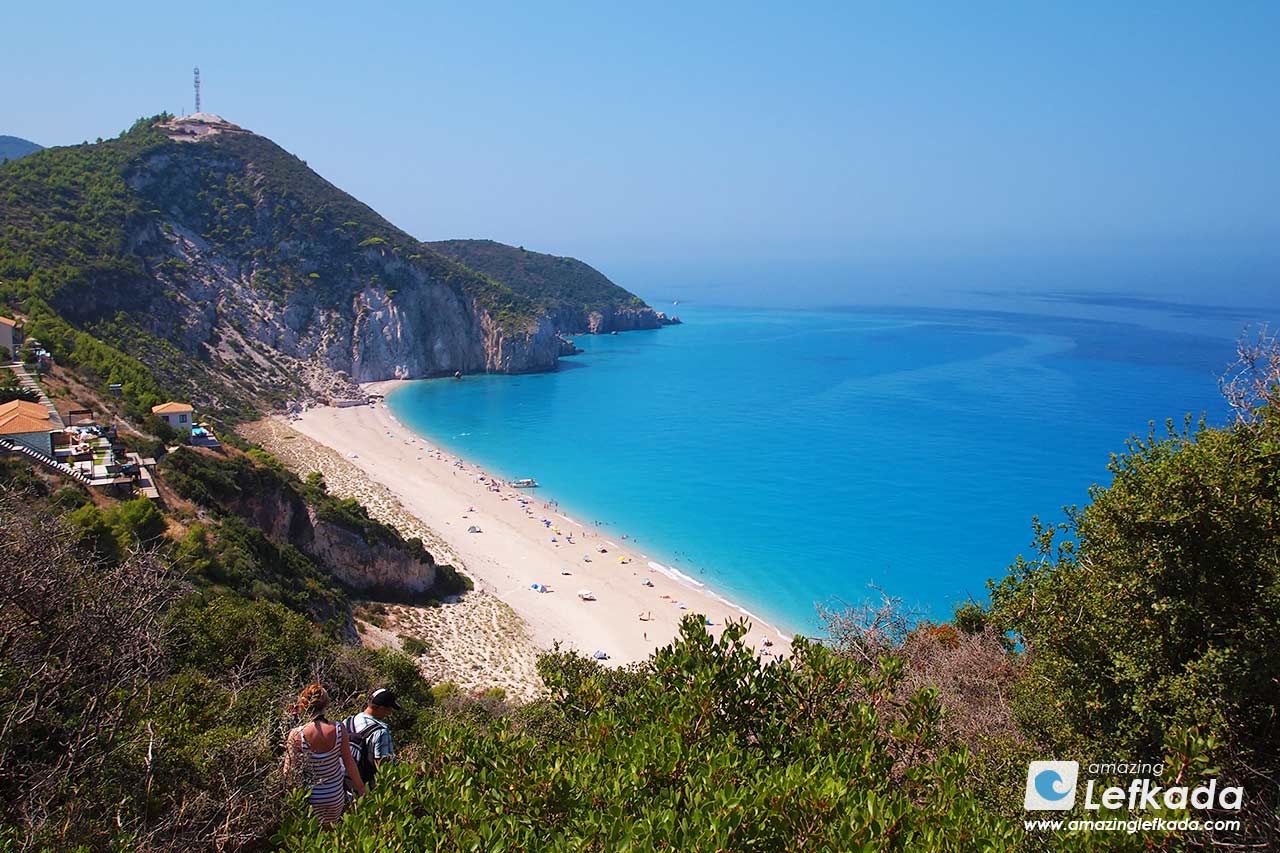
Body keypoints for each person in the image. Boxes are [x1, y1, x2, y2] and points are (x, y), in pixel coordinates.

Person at [283, 684, 364, 826]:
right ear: (326, 704)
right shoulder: (339, 729)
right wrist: (361, 789)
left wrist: (290, 799)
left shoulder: (296, 734)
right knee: (332, 832)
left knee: (313, 834)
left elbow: (288, 771)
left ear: (304, 705)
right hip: (335, 795)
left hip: (310, 797)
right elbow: (349, 763)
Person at [344, 687, 399, 789]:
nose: (390, 712)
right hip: (366, 785)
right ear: (381, 708)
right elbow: (382, 764)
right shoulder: (380, 732)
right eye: (389, 709)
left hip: (344, 781)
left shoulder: (348, 721)